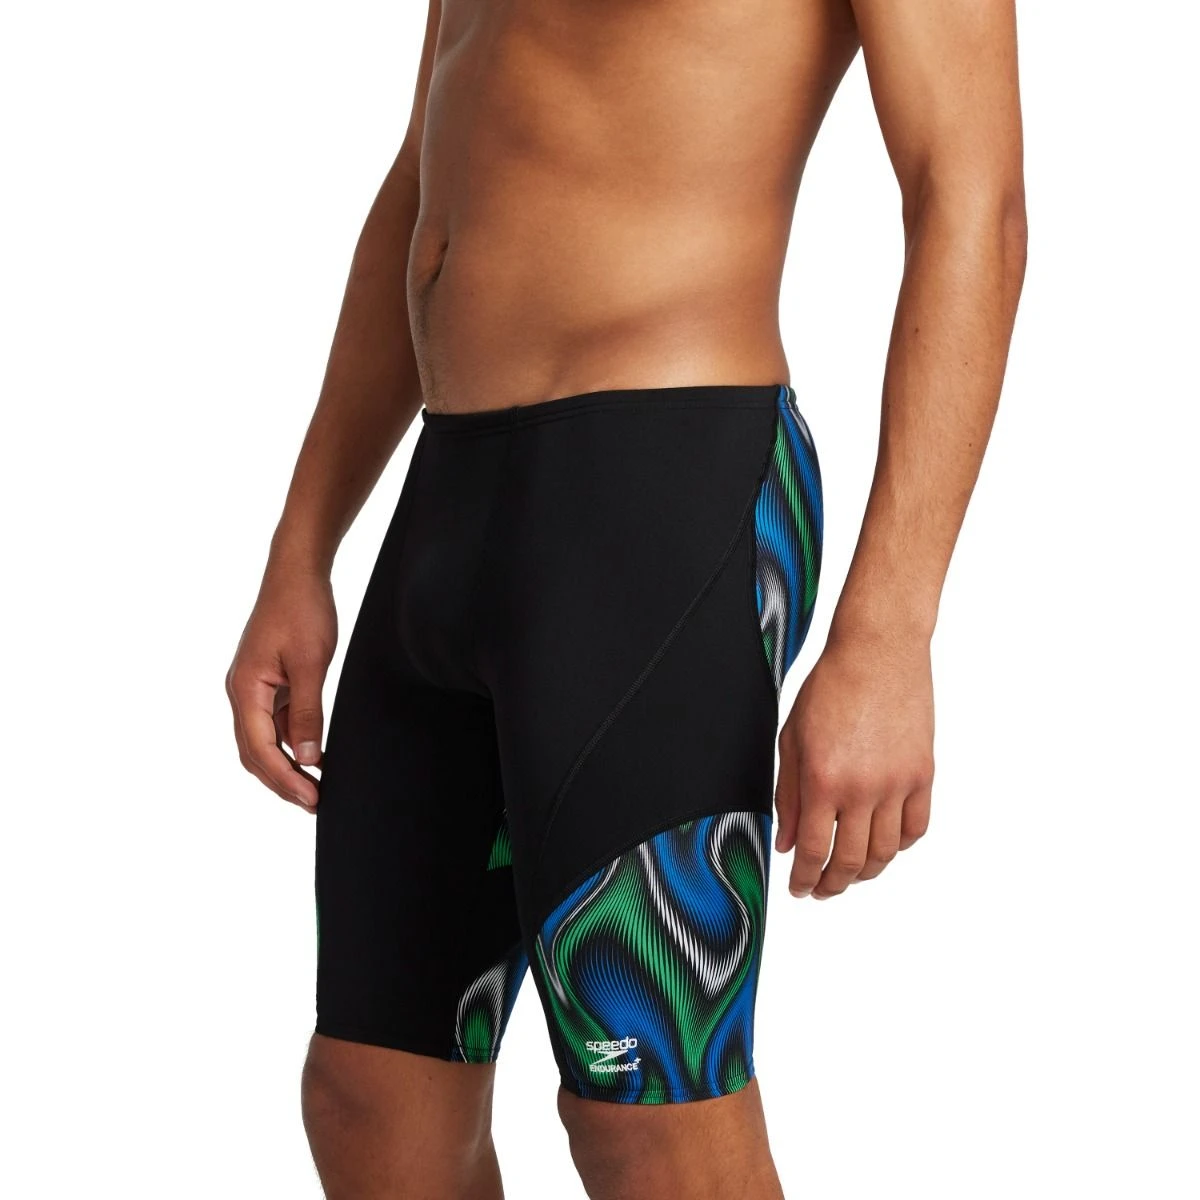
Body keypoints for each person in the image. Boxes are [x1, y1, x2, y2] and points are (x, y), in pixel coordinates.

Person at [226, 0, 1026, 1195]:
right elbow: (424, 180)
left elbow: (971, 191)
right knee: (369, 1091)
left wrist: (889, 633)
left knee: (646, 1113)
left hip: (661, 486)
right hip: (452, 491)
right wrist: (302, 548)